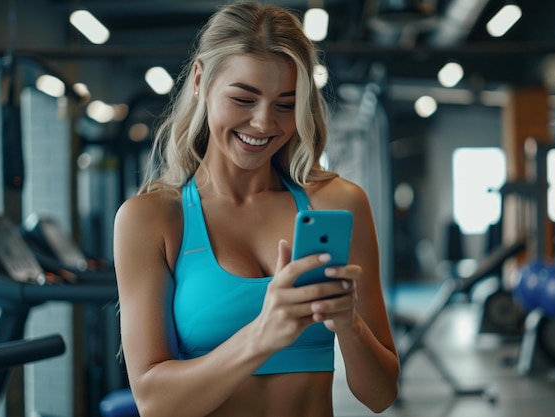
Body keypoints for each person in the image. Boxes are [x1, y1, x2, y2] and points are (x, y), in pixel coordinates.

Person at [113, 1, 399, 416]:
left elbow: (381, 395)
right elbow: (154, 403)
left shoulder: (338, 203)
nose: (265, 123)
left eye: (285, 104)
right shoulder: (152, 219)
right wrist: (264, 334)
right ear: (199, 81)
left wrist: (350, 325)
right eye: (244, 99)